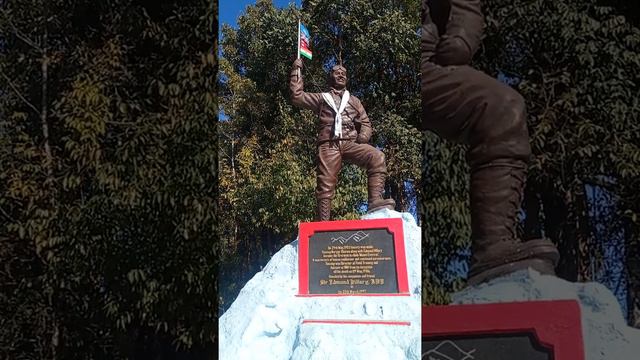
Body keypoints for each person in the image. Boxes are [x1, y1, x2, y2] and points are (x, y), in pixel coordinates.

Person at [421, 0, 560, 285]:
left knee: (500, 107)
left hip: (421, 59)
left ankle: (493, 248)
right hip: (377, 62)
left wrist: (461, 35)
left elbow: (465, 7)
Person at [289, 58, 395, 221]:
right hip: (329, 144)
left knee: (377, 156)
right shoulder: (322, 98)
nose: (340, 75)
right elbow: (297, 97)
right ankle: (323, 222)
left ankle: (375, 201)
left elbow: (366, 122)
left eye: (343, 73)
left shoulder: (354, 101)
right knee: (325, 182)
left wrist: (363, 136)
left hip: (350, 143)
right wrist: (296, 71)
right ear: (330, 77)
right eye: (336, 72)